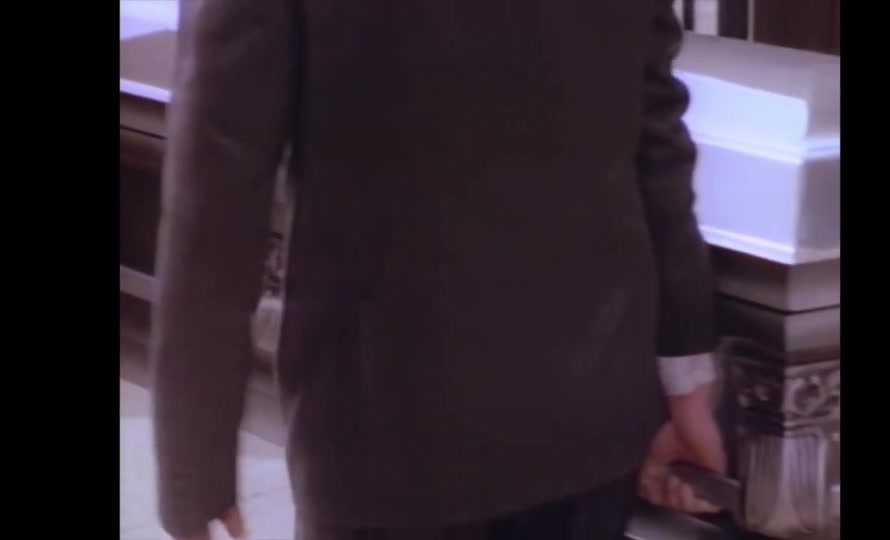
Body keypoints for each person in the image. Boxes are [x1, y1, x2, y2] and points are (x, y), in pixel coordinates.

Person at [150, 0, 725, 539]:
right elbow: (655, 134)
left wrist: (193, 459)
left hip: (392, 436)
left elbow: (218, 188)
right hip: (591, 418)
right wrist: (687, 385)